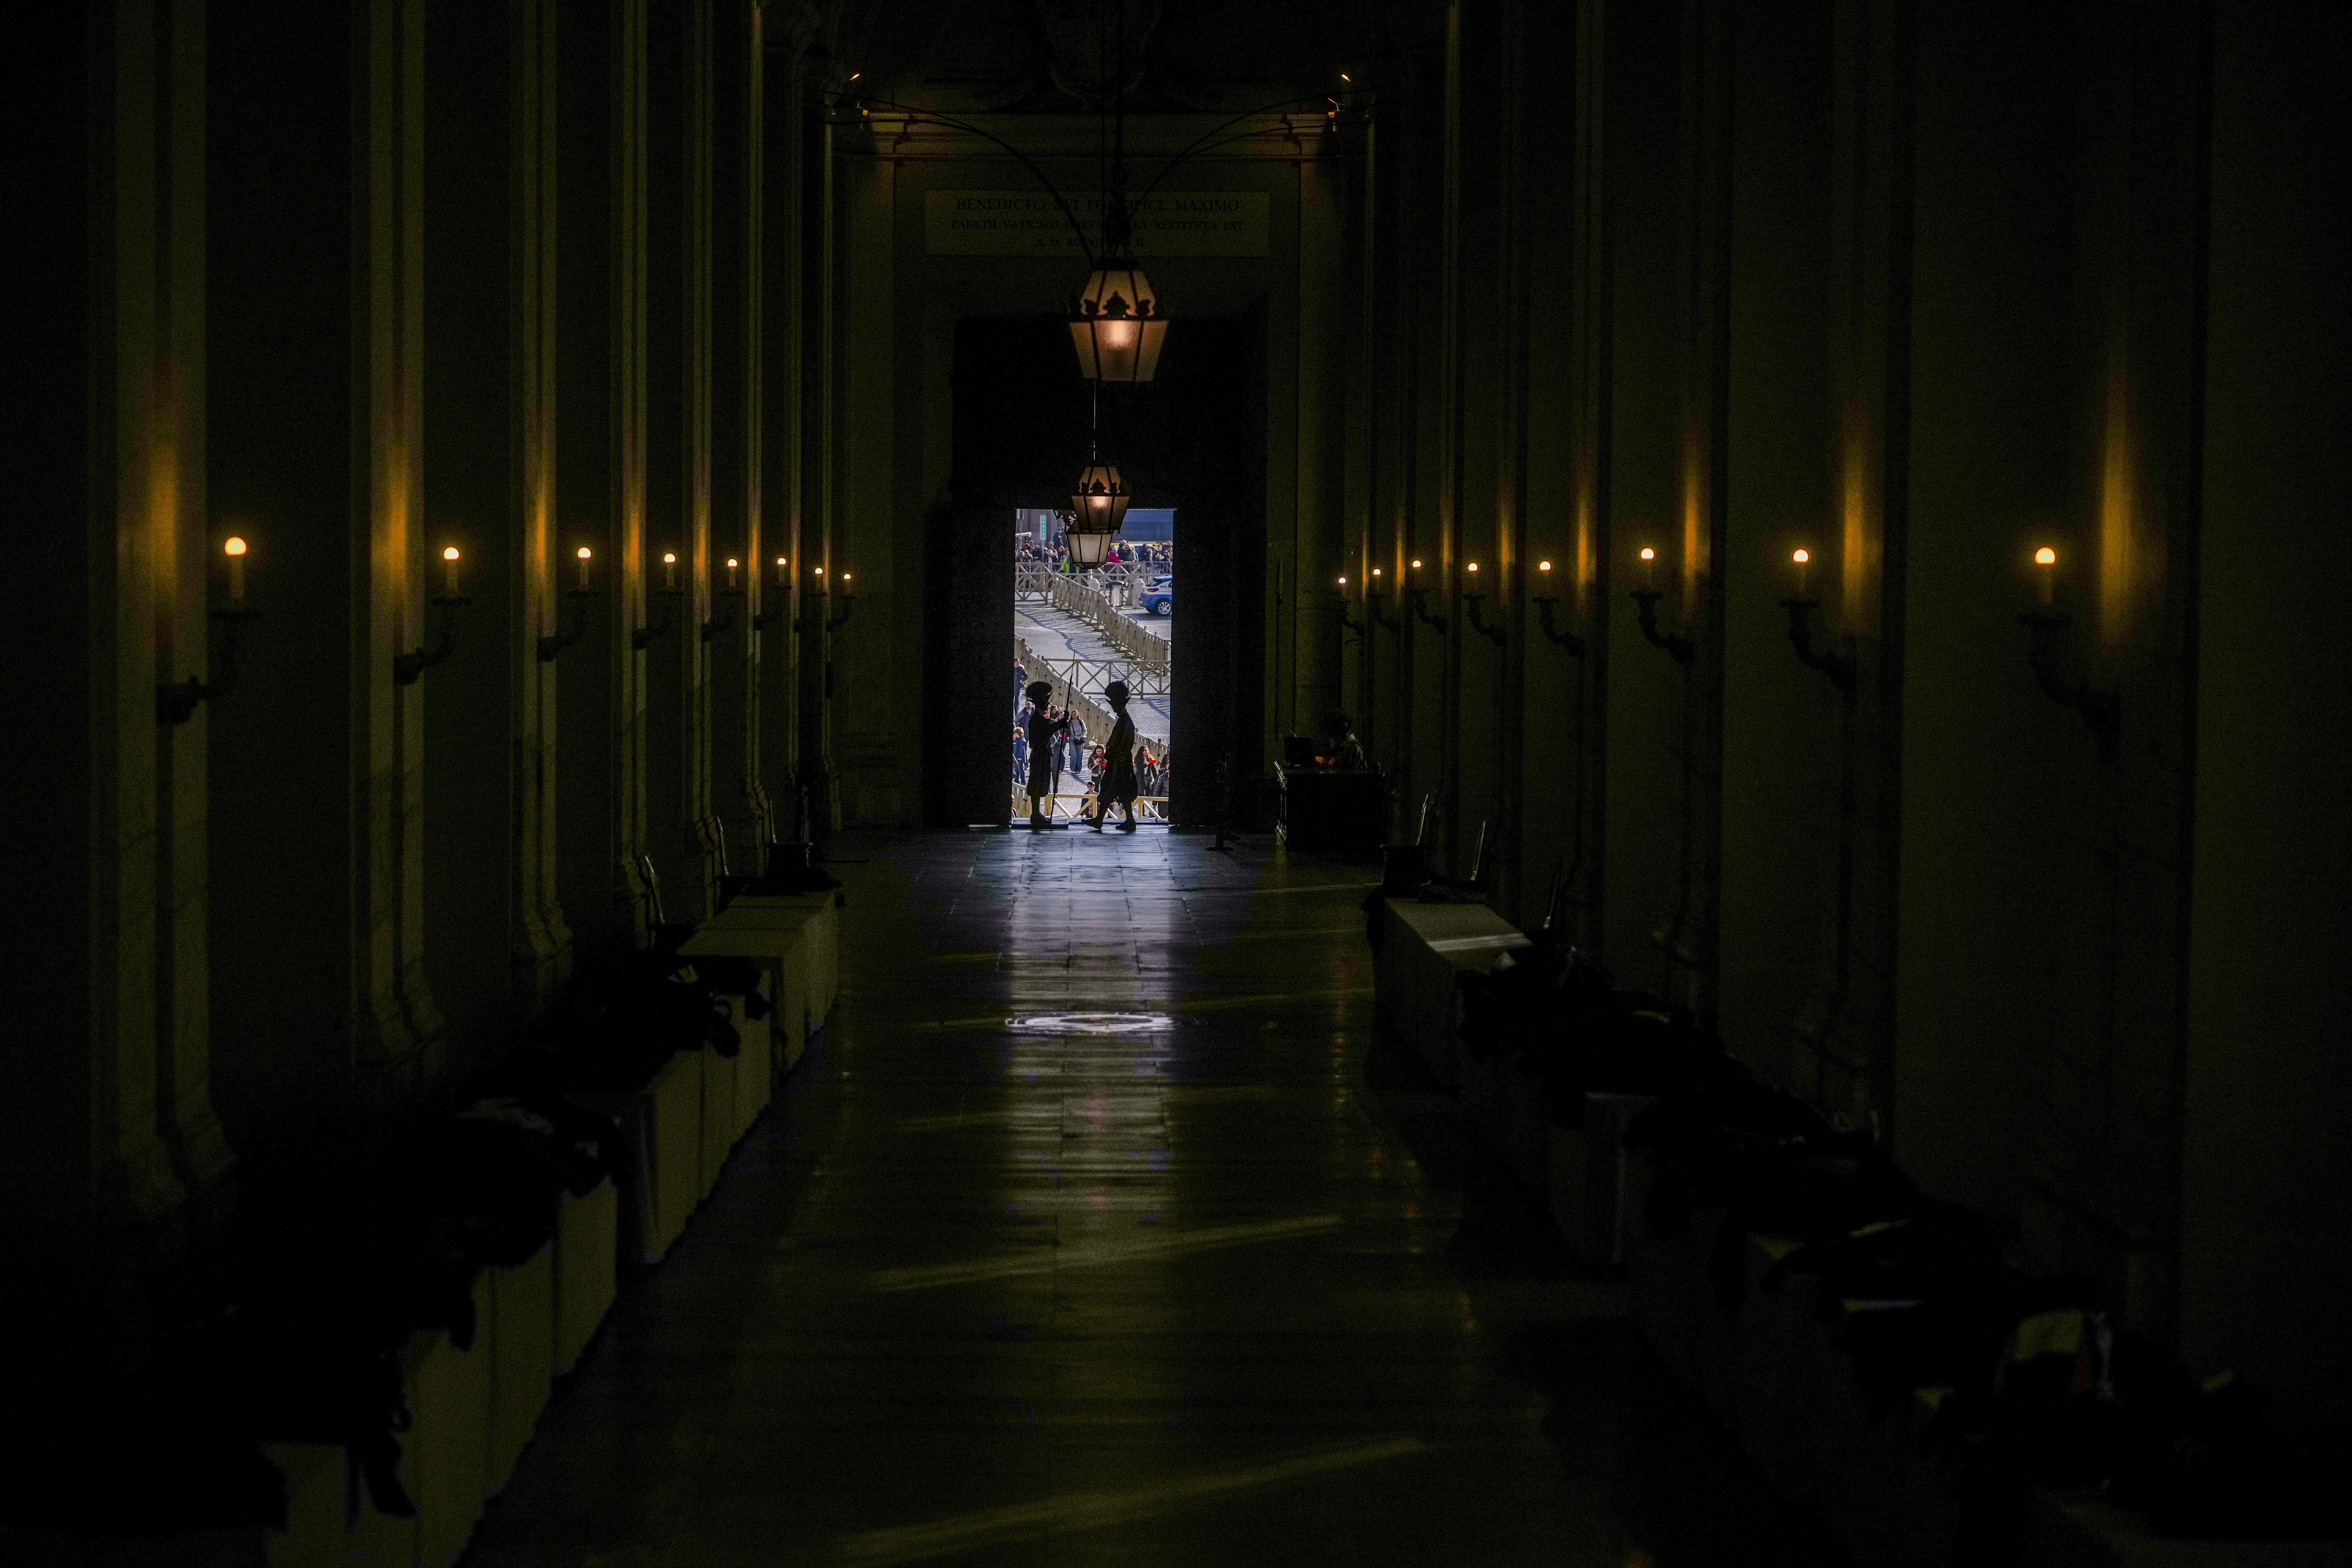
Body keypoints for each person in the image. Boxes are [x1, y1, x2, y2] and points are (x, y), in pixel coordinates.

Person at [1090, 680, 1141, 831]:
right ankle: (1128, 820)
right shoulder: (1125, 721)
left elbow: (1121, 745)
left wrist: (1111, 755)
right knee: (1118, 792)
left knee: (1110, 790)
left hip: (1119, 763)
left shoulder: (1125, 722)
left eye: (1113, 705)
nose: (1112, 707)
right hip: (1120, 762)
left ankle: (1101, 820)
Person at [1022, 684, 1072, 830]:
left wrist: (1062, 723)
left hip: (1042, 754)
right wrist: (1061, 723)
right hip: (1039, 754)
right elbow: (1047, 730)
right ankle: (1035, 814)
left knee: (1041, 783)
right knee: (1037, 784)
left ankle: (1037, 814)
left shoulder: (1038, 717)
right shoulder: (1036, 719)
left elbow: (1050, 725)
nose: (1049, 704)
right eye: (1047, 701)